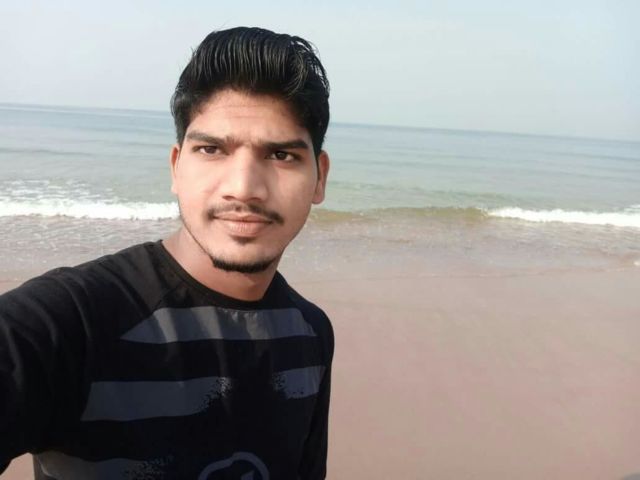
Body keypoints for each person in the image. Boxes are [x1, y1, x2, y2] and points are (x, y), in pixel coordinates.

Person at [0, 27, 333, 479]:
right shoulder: (70, 322)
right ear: (177, 167)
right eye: (211, 149)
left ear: (319, 177)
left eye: (281, 155)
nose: (243, 188)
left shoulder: (310, 332)